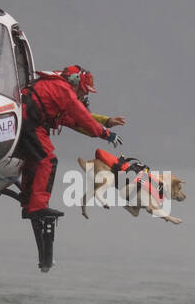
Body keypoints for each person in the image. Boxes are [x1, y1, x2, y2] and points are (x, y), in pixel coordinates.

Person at [16, 65, 124, 270]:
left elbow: (75, 121)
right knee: (47, 160)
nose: (84, 95)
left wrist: (106, 123)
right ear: (77, 84)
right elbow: (81, 116)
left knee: (35, 161)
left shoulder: (56, 89)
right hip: (30, 123)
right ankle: (37, 205)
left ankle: (28, 202)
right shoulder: (64, 91)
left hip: (26, 122)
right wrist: (105, 134)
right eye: (84, 90)